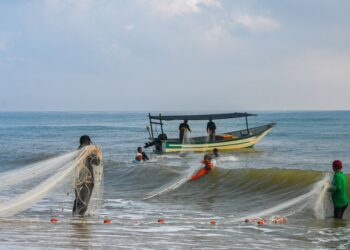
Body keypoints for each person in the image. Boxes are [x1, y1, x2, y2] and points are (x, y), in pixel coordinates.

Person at [73, 135, 101, 216]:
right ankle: (79, 219)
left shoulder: (77, 151)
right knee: (84, 201)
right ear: (87, 142)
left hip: (77, 179)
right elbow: (97, 162)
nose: (90, 144)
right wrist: (97, 153)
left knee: (78, 200)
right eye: (89, 142)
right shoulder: (87, 151)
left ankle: (74, 218)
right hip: (87, 180)